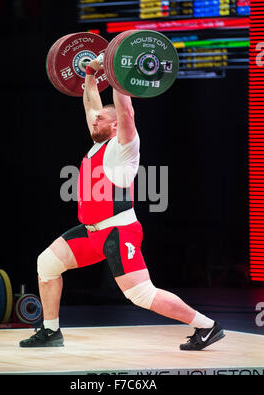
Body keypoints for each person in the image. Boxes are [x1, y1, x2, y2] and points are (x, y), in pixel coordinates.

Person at [19, 59, 225, 351]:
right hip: (91, 233)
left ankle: (206, 326)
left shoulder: (125, 146)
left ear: (116, 126)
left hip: (119, 232)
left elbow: (126, 110)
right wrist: (90, 74)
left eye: (101, 119)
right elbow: (90, 105)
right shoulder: (97, 145)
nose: (95, 120)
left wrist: (116, 73)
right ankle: (51, 332)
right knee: (46, 263)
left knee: (140, 294)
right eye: (96, 118)